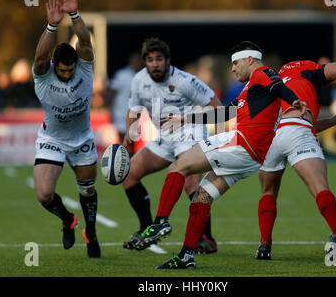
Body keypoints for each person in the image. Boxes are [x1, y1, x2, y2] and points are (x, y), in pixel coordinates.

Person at [134, 41, 307, 269]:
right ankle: (186, 255)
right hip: (250, 159)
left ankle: (160, 223)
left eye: (235, 63)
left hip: (240, 144)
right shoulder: (249, 90)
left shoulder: (263, 73)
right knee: (201, 197)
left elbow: (278, 86)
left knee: (178, 167)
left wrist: (293, 99)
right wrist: (186, 119)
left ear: (250, 60)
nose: (233, 69)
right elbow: (224, 113)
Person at [120, 38, 223, 253]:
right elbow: (133, 110)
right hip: (165, 137)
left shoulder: (185, 80)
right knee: (128, 175)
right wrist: (130, 133)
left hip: (190, 133)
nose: (155, 64)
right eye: (150, 60)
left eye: (159, 59)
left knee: (191, 184)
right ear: (145, 62)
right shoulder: (139, 80)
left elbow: (218, 108)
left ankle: (206, 238)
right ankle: (147, 229)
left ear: (168, 60)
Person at [255, 60, 336, 261]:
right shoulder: (308, 71)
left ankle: (264, 245)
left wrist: (332, 121)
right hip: (297, 130)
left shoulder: (276, 80)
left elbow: (296, 121)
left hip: (271, 134)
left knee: (268, 192)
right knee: (320, 187)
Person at [31, 0, 100, 258]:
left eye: (70, 70)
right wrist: (51, 25)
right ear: (53, 66)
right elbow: (38, 58)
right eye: (63, 70)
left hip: (82, 139)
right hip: (53, 140)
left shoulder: (84, 67)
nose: (68, 74)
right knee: (44, 194)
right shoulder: (43, 75)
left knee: (88, 189)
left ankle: (91, 234)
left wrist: (74, 14)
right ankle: (67, 220)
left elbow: (84, 43)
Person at [108, 52, 144, 143]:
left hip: (132, 116)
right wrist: (110, 110)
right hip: (120, 114)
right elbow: (112, 93)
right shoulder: (122, 74)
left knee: (130, 144)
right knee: (123, 143)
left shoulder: (140, 76)